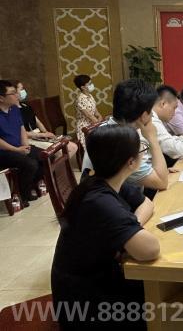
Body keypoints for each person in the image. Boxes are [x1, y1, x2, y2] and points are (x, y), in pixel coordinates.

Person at [51, 125, 159, 330]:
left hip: (97, 280)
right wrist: (130, 233)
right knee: (167, 300)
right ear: (130, 162)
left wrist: (130, 227)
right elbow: (150, 249)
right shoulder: (98, 201)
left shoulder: (105, 180)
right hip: (86, 304)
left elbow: (147, 203)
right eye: (142, 151)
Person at [81, 79, 168, 191]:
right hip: (112, 200)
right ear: (143, 115)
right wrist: (152, 138)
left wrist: (156, 169)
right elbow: (161, 182)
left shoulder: (112, 128)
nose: (152, 115)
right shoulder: (119, 141)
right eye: (151, 111)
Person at [0, 80, 43, 207]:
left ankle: (31, 186)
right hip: (4, 152)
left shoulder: (14, 109)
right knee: (30, 164)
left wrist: (25, 145)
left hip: (19, 147)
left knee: (45, 156)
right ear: (1, 98)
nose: (16, 95)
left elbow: (21, 128)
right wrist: (17, 150)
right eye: (12, 93)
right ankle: (22, 194)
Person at [12, 80, 78, 159]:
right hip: (28, 139)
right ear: (14, 92)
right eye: (21, 89)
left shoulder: (25, 106)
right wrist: (42, 135)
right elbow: (20, 133)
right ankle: (53, 167)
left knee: (73, 146)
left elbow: (38, 122)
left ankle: (59, 166)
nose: (24, 91)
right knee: (59, 151)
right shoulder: (12, 111)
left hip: (38, 135)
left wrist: (46, 133)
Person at [74, 74, 102, 148]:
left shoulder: (90, 96)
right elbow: (89, 116)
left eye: (91, 83)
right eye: (89, 84)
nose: (92, 85)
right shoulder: (80, 99)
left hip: (93, 123)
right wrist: (99, 125)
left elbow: (96, 113)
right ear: (82, 87)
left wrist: (100, 119)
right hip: (85, 128)